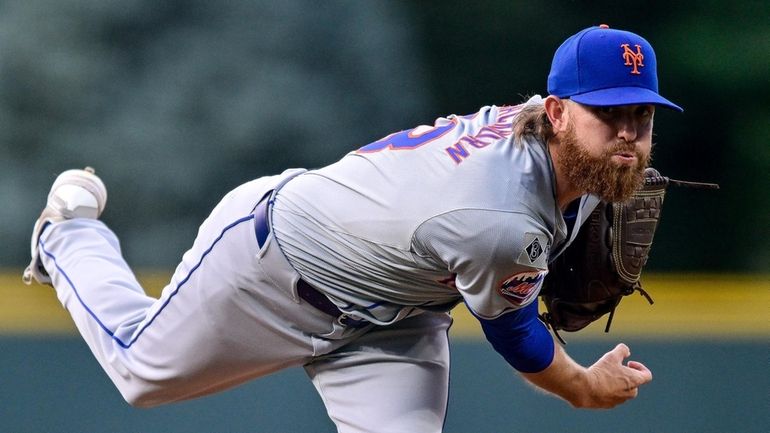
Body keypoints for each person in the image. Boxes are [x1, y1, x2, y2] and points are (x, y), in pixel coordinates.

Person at [24, 25, 679, 432]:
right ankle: (68, 232)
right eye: (609, 114)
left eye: (641, 118)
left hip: (397, 316)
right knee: (141, 374)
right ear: (560, 113)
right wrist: (585, 386)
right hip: (275, 268)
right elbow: (517, 335)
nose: (628, 133)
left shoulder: (547, 131)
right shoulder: (499, 219)